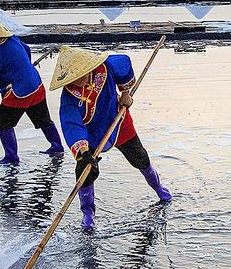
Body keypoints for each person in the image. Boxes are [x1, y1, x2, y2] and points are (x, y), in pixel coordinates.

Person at [49, 46, 171, 231]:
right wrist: (83, 151)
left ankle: (159, 188)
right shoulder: (69, 97)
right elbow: (72, 124)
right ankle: (88, 213)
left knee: (140, 157)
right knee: (84, 171)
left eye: (81, 75)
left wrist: (125, 93)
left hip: (117, 119)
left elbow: (124, 62)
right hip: (91, 133)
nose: (79, 80)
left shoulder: (105, 67)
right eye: (73, 78)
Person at [0, 12, 63, 164]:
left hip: (19, 92)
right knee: (43, 119)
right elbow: (27, 49)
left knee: (1, 120)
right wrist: (23, 67)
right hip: (35, 84)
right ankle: (57, 146)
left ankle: (11, 157)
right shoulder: (14, 40)